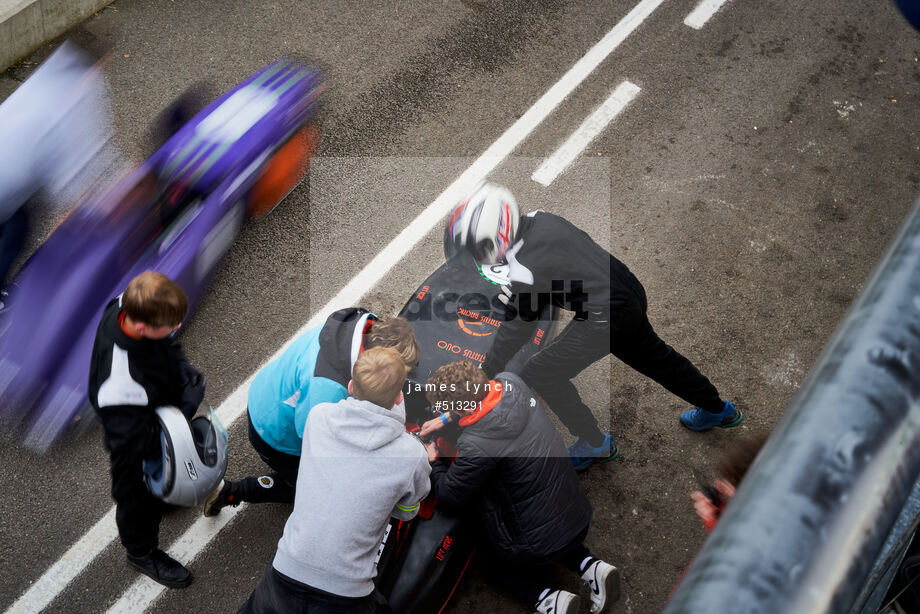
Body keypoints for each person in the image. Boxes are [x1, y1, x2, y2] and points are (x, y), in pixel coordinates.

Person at [437, 181, 740, 470]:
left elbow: (518, 327)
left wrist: (485, 373)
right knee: (660, 360)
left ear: (495, 236)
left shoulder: (524, 269)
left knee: (541, 372)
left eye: (477, 250)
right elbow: (556, 273)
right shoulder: (542, 218)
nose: (478, 257)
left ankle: (593, 443)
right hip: (626, 289)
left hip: (606, 317)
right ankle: (718, 409)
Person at [239, 347, 431, 613]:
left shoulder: (318, 417)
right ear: (400, 396)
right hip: (347, 594)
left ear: (351, 385)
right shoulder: (413, 456)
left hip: (285, 572)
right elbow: (407, 513)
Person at [425, 361, 619, 614]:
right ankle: (590, 565)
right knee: (543, 520)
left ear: (462, 409)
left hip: (535, 545)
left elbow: (450, 496)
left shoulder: (478, 444)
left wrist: (435, 462)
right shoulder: (511, 382)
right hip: (575, 511)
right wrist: (448, 417)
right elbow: (480, 401)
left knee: (487, 558)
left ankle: (547, 599)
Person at [203, 308, 418, 516]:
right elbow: (314, 440)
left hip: (270, 390)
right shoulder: (328, 390)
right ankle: (232, 492)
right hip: (273, 430)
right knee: (306, 487)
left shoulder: (364, 328)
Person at [87, 271, 206, 588]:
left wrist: (179, 364)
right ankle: (141, 552)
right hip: (133, 437)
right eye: (171, 327)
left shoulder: (129, 302)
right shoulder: (119, 384)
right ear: (141, 327)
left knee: (159, 487)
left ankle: (164, 499)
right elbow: (141, 442)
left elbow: (164, 342)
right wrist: (186, 410)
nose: (176, 329)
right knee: (135, 496)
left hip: (149, 403)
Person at [0, 40, 119, 309]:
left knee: (17, 218)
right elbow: (74, 181)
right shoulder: (71, 97)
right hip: (4, 189)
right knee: (17, 229)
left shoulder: (44, 79)